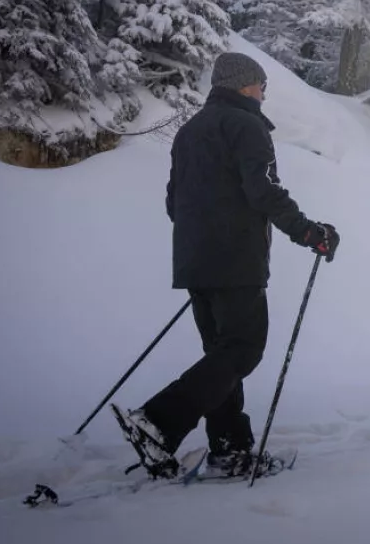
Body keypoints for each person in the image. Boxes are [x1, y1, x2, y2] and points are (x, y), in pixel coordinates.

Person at [113, 52, 338, 479]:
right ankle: (158, 421)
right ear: (243, 85)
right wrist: (309, 231)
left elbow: (173, 202)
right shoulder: (247, 126)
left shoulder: (190, 131)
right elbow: (263, 191)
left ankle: (230, 449)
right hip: (235, 259)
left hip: (194, 260)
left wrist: (202, 242)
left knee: (222, 356)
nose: (264, 95)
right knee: (242, 350)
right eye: (262, 86)